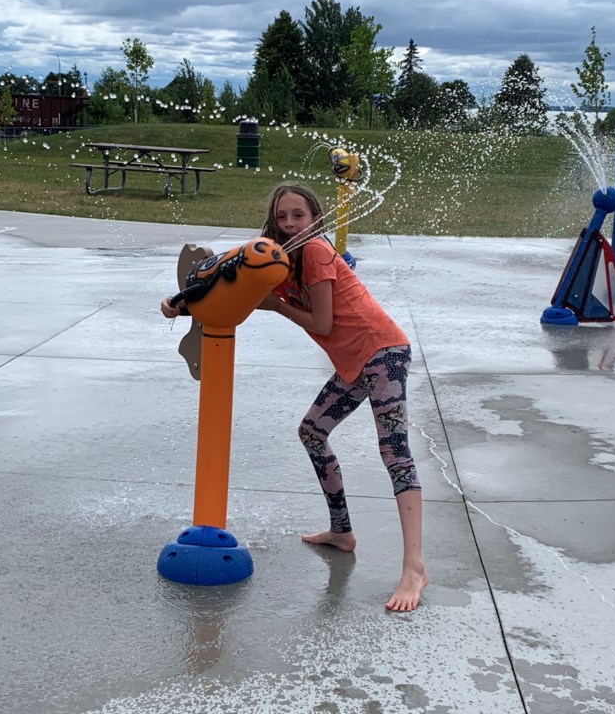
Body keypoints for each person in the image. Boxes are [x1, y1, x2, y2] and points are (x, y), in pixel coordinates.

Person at [160, 182, 427, 612]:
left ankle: (414, 567)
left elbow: (321, 323)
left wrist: (279, 305)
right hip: (353, 364)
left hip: (383, 354)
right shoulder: (279, 262)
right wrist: (181, 304)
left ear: (315, 219)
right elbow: (231, 285)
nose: (288, 224)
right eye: (282, 216)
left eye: (297, 215)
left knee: (394, 452)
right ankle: (341, 532)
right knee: (312, 432)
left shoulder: (318, 251)